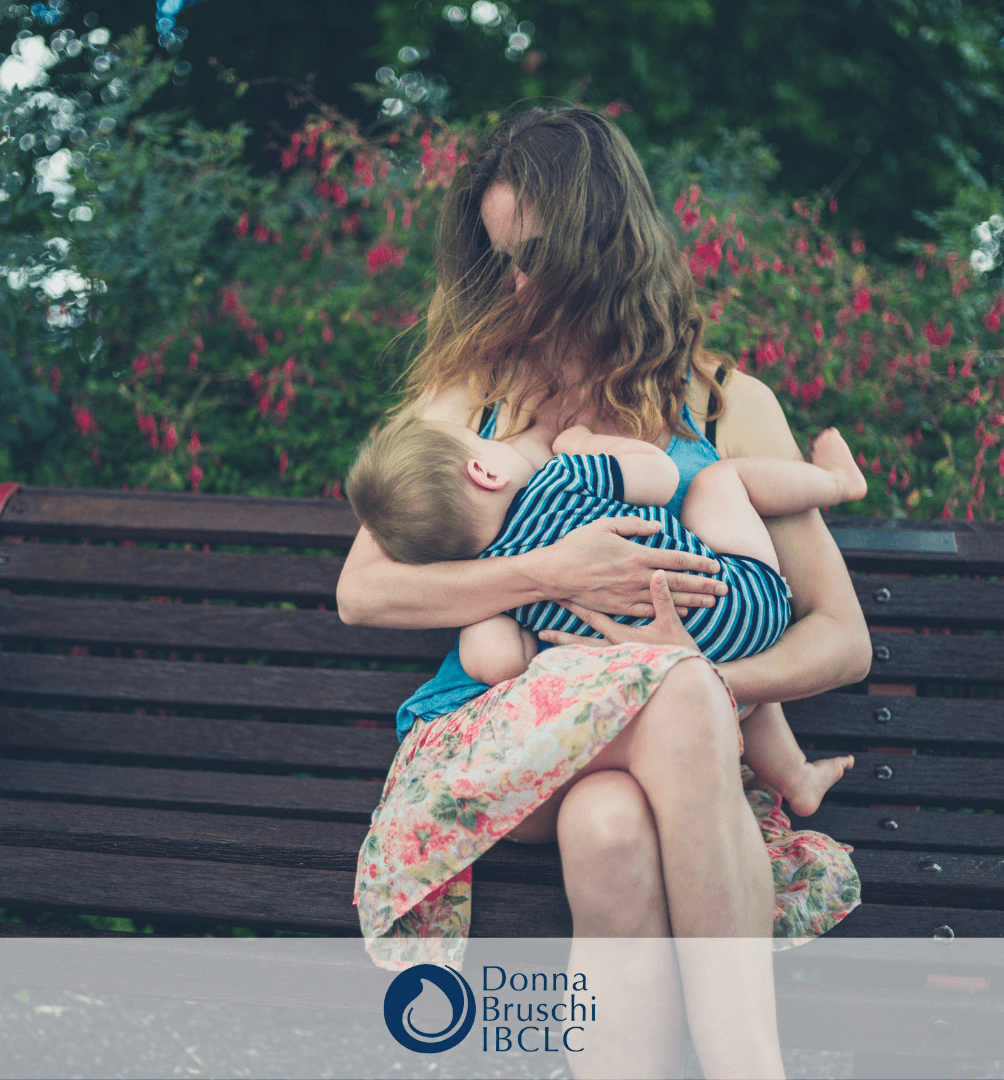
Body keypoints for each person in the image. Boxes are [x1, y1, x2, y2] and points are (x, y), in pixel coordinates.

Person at [338, 106, 872, 1080]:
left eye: (534, 253)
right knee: (670, 693)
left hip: (657, 759)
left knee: (612, 824)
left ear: (604, 237)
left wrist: (707, 676)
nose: (517, 284)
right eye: (501, 259)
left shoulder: (725, 407)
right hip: (500, 747)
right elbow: (364, 592)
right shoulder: (477, 395)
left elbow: (841, 639)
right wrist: (549, 574)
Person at [346, 411, 863, 813]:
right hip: (744, 600)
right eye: (489, 444)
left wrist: (497, 615)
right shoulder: (559, 477)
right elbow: (659, 476)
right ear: (484, 470)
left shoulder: (492, 587)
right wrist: (586, 443)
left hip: (665, 671)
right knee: (719, 481)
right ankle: (839, 483)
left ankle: (796, 779)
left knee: (711, 668)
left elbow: (498, 662)